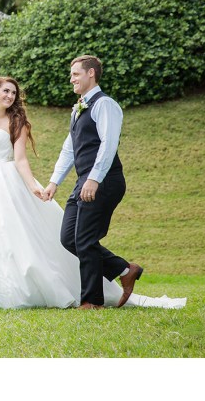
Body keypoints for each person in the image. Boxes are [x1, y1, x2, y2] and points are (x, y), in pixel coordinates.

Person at [0, 75, 185, 310]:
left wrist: (34, 185)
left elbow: (20, 159)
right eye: (5, 91)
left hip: (7, 181)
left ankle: (42, 288)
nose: (10, 96)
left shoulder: (17, 121)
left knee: (18, 235)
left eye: (14, 92)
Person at [42, 55, 138, 309]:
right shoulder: (78, 108)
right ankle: (124, 269)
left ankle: (92, 301)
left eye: (75, 74)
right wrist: (54, 182)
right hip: (83, 180)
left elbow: (108, 145)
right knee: (69, 238)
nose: (71, 78)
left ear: (91, 73)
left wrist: (94, 179)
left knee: (84, 239)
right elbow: (69, 149)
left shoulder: (105, 104)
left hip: (104, 180)